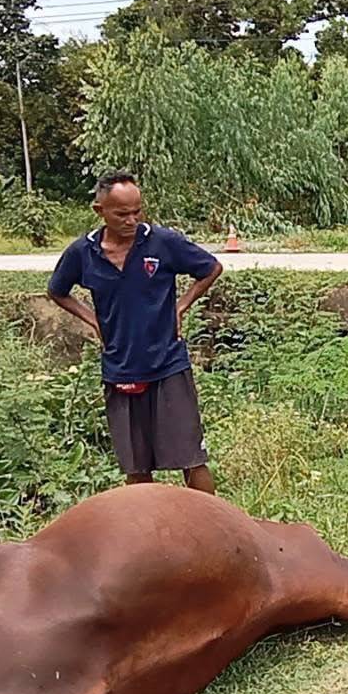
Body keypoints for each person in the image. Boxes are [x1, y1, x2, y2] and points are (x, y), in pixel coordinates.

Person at [47, 171, 223, 494]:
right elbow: (57, 291)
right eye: (121, 214)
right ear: (100, 211)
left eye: (137, 211)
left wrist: (181, 305)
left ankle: (213, 532)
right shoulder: (82, 253)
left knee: (191, 458)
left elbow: (211, 268)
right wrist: (93, 320)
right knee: (136, 467)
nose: (132, 220)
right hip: (120, 369)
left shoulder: (162, 242)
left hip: (168, 364)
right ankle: (149, 538)